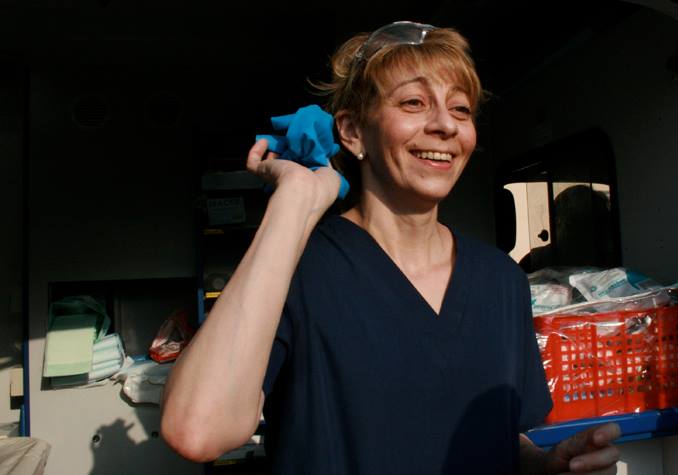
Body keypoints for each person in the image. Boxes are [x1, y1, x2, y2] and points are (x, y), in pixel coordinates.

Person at [161, 21, 621, 474]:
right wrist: (294, 202)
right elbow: (199, 431)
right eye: (414, 102)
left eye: (460, 109)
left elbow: (499, 437)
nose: (445, 124)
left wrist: (544, 466)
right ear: (353, 131)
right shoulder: (295, 267)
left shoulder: (500, 279)